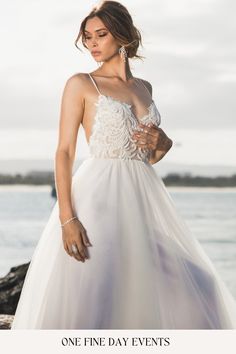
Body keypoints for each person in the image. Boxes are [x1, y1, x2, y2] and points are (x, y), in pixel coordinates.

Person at [11, 0, 236, 329]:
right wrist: (67, 218)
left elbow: (147, 157)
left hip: (142, 201)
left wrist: (165, 144)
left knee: (200, 285)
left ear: (123, 35)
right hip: (98, 199)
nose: (92, 44)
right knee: (96, 294)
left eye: (100, 35)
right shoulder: (81, 84)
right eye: (87, 37)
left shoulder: (145, 88)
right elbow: (64, 152)